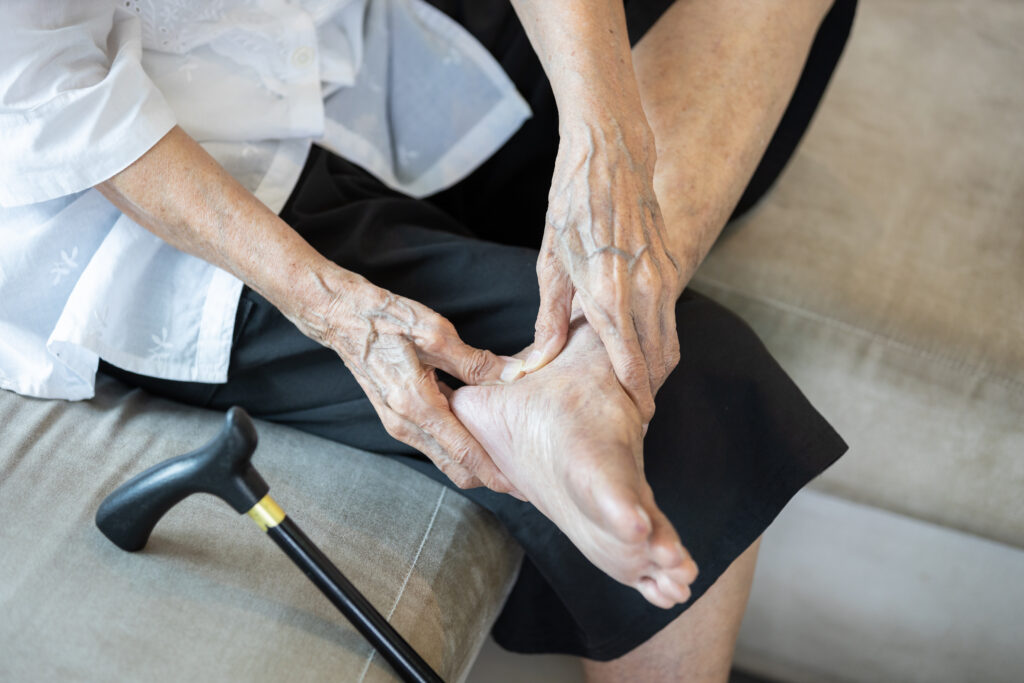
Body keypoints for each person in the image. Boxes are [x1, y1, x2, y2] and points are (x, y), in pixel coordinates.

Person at [0, 0, 856, 679]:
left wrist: (604, 130)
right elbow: (52, 91)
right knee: (693, 399)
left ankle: (596, 359)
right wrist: (334, 306)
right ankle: (603, 363)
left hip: (347, 38)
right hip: (158, 187)